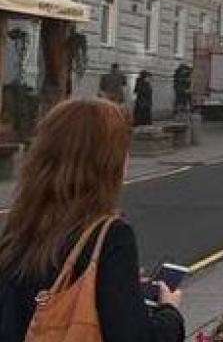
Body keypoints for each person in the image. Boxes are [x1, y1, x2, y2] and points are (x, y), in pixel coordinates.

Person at [0, 98, 185, 342]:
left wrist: (121, 285)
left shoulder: (20, 226)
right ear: (107, 162)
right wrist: (169, 312)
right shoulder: (111, 236)